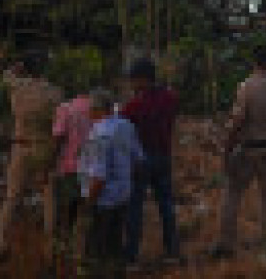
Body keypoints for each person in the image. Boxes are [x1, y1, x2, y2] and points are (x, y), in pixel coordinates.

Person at [212, 43, 266, 258]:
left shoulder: (247, 87)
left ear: (254, 63)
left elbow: (238, 121)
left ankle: (226, 244)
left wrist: (227, 148)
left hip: (248, 148)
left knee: (232, 194)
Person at [0, 54, 63, 259]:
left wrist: (17, 66)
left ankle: (0, 243)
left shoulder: (17, 86)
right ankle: (49, 249)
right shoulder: (55, 93)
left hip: (20, 146)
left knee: (12, 196)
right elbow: (59, 125)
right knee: (49, 199)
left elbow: (5, 74)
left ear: (27, 69)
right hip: (44, 147)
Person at [78, 88, 144, 278]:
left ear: (98, 110)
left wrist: (89, 202)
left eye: (90, 108)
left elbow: (99, 176)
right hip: (122, 195)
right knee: (115, 244)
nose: (88, 112)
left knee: (96, 249)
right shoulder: (126, 126)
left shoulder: (99, 135)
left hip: (103, 200)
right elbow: (138, 159)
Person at [121, 58, 180, 264]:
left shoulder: (134, 105)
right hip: (163, 157)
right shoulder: (170, 97)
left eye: (134, 80)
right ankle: (172, 251)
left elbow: (122, 124)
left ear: (143, 79)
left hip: (141, 160)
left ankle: (131, 256)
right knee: (166, 205)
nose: (132, 84)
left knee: (135, 208)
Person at [50, 86, 94, 272]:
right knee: (84, 216)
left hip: (69, 170)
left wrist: (50, 164)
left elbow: (58, 138)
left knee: (65, 217)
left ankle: (61, 261)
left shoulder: (65, 109)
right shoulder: (99, 111)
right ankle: (80, 261)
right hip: (91, 172)